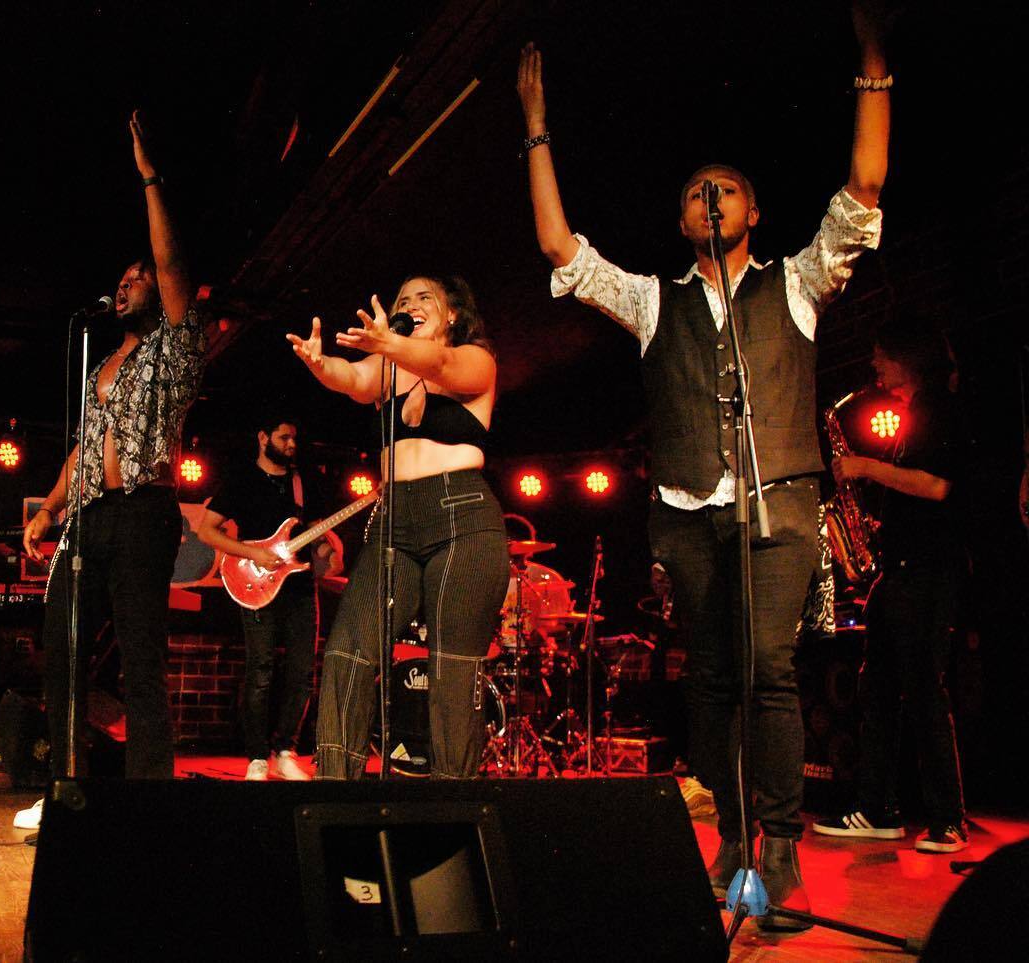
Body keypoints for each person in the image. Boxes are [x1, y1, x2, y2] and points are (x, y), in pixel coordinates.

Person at [516, 0, 891, 929]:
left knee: (769, 668)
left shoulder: (795, 283)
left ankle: (780, 842)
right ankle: (730, 830)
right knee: (714, 678)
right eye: (695, 192)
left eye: (724, 190)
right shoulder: (655, 302)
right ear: (682, 219)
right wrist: (536, 128)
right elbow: (562, 250)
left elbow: (863, 189)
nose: (709, 199)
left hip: (781, 501)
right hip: (687, 512)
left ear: (752, 211)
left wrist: (872, 62)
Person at [15, 112, 206, 830]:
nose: (125, 285)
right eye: (120, 279)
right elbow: (83, 447)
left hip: (143, 514)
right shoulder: (101, 361)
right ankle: (69, 793)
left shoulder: (174, 347)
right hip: (87, 518)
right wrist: (48, 508)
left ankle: (148, 805)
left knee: (141, 660)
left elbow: (173, 265)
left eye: (137, 278)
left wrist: (149, 178)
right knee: (63, 652)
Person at [288, 274, 509, 779]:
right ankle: (334, 790)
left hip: (462, 515)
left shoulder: (474, 357)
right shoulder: (388, 365)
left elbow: (443, 366)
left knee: (452, 668)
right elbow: (353, 379)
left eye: (424, 297)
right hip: (395, 519)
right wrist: (321, 365)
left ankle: (452, 800)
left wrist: (390, 342)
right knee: (348, 651)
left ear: (452, 314)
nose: (411, 304)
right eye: (403, 300)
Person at [812, 319, 969, 853]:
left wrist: (864, 467)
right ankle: (875, 808)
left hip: (928, 572)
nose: (874, 366)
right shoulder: (913, 414)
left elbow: (937, 485)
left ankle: (949, 819)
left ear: (908, 358)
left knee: (924, 691)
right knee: (876, 694)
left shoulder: (938, 409)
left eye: (882, 355)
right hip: (897, 570)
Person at [195, 416, 344, 781]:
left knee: (301, 672)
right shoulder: (241, 478)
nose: (292, 444)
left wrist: (328, 548)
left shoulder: (303, 482)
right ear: (263, 438)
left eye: (294, 438)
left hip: (299, 586)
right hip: (255, 584)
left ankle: (285, 750)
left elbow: (314, 529)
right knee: (260, 670)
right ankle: (257, 756)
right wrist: (252, 554)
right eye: (284, 437)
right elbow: (207, 531)